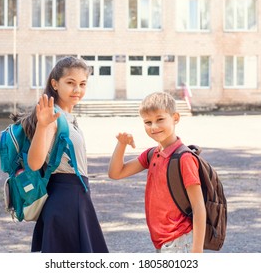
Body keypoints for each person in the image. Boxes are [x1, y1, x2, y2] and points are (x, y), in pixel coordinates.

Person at [12, 56, 108, 253]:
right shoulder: (52, 117)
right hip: (66, 200)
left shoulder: (65, 116)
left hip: (73, 198)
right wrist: (43, 126)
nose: (77, 90)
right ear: (55, 84)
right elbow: (35, 162)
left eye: (82, 84)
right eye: (70, 83)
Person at [108, 92, 206, 253]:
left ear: (175, 118)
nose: (154, 127)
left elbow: (198, 206)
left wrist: (197, 250)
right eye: (148, 122)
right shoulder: (152, 154)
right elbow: (115, 173)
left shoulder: (184, 158)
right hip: (163, 241)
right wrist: (121, 145)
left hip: (180, 241)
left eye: (160, 119)